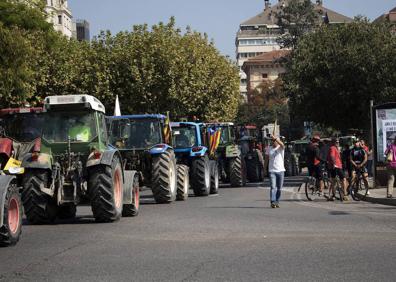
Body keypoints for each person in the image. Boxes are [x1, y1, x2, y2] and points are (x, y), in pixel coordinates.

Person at [268, 135, 285, 208]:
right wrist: (265, 169)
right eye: (273, 141)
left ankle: (277, 201)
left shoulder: (281, 148)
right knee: (273, 187)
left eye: (275, 141)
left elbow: (282, 144)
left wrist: (275, 138)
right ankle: (272, 201)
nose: (274, 142)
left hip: (281, 171)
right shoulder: (269, 148)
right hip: (272, 171)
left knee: (279, 188)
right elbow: (266, 159)